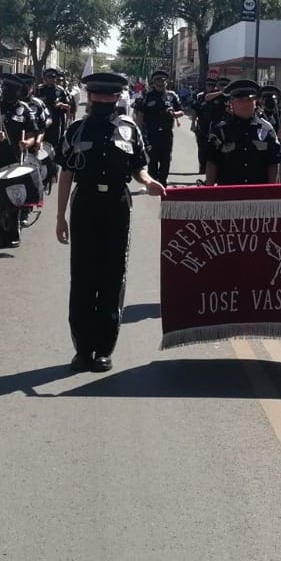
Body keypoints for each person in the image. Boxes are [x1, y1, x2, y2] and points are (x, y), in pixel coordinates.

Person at [54, 71, 166, 373]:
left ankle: (104, 348)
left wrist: (149, 181)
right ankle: (82, 349)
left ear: (118, 97)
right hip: (85, 203)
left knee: (112, 276)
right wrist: (60, 217)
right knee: (82, 277)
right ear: (90, 96)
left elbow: (139, 166)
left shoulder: (129, 129)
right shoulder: (77, 129)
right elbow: (66, 174)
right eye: (99, 94)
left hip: (117, 204)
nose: (104, 99)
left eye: (110, 95)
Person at [0, 74, 42, 249]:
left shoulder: (25, 110)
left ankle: (14, 233)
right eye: (6, 89)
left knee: (16, 195)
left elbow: (32, 135)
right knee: (1, 197)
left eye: (13, 90)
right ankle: (2, 234)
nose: (8, 93)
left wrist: (27, 143)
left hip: (18, 157)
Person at [203, 78, 281, 185]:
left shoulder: (267, 129)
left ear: (255, 102)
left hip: (258, 190)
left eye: (249, 100)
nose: (245, 104)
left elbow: (274, 162)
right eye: (240, 100)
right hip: (229, 191)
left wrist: (272, 189)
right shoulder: (221, 131)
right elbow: (212, 162)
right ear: (231, 102)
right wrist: (209, 189)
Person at [136, 69, 183, 184]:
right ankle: (154, 185)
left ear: (166, 82)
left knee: (166, 160)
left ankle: (163, 183)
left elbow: (181, 111)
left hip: (166, 134)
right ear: (153, 82)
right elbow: (140, 116)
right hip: (151, 134)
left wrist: (174, 114)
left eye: (163, 80)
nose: (160, 82)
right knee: (152, 161)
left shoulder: (172, 96)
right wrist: (139, 134)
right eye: (157, 80)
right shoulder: (146, 96)